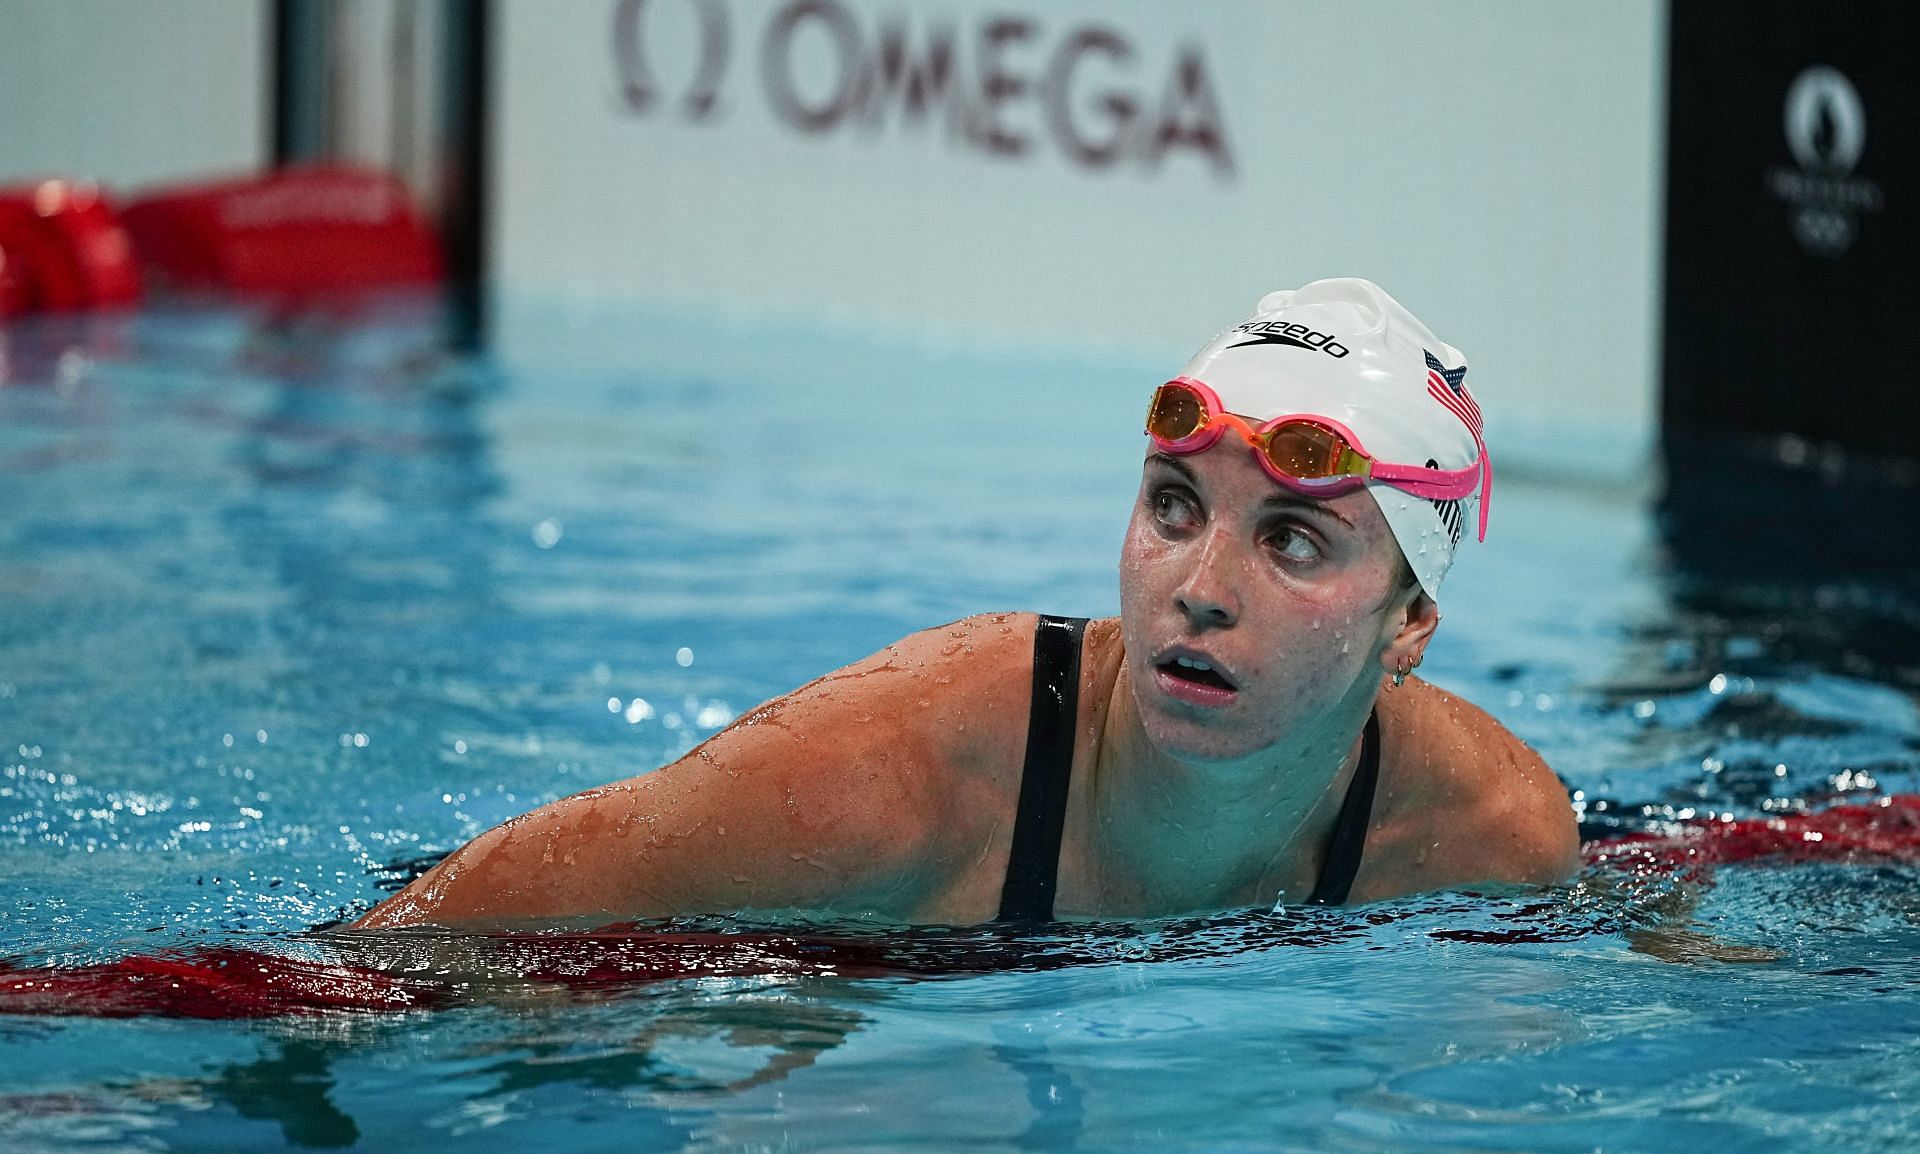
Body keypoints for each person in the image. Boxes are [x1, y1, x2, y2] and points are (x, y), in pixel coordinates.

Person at [356, 278, 1579, 930]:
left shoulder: (1487, 839)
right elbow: (394, 952)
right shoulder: (878, 782)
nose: (1200, 591)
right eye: (1171, 508)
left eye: (1295, 541)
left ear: (1409, 621)